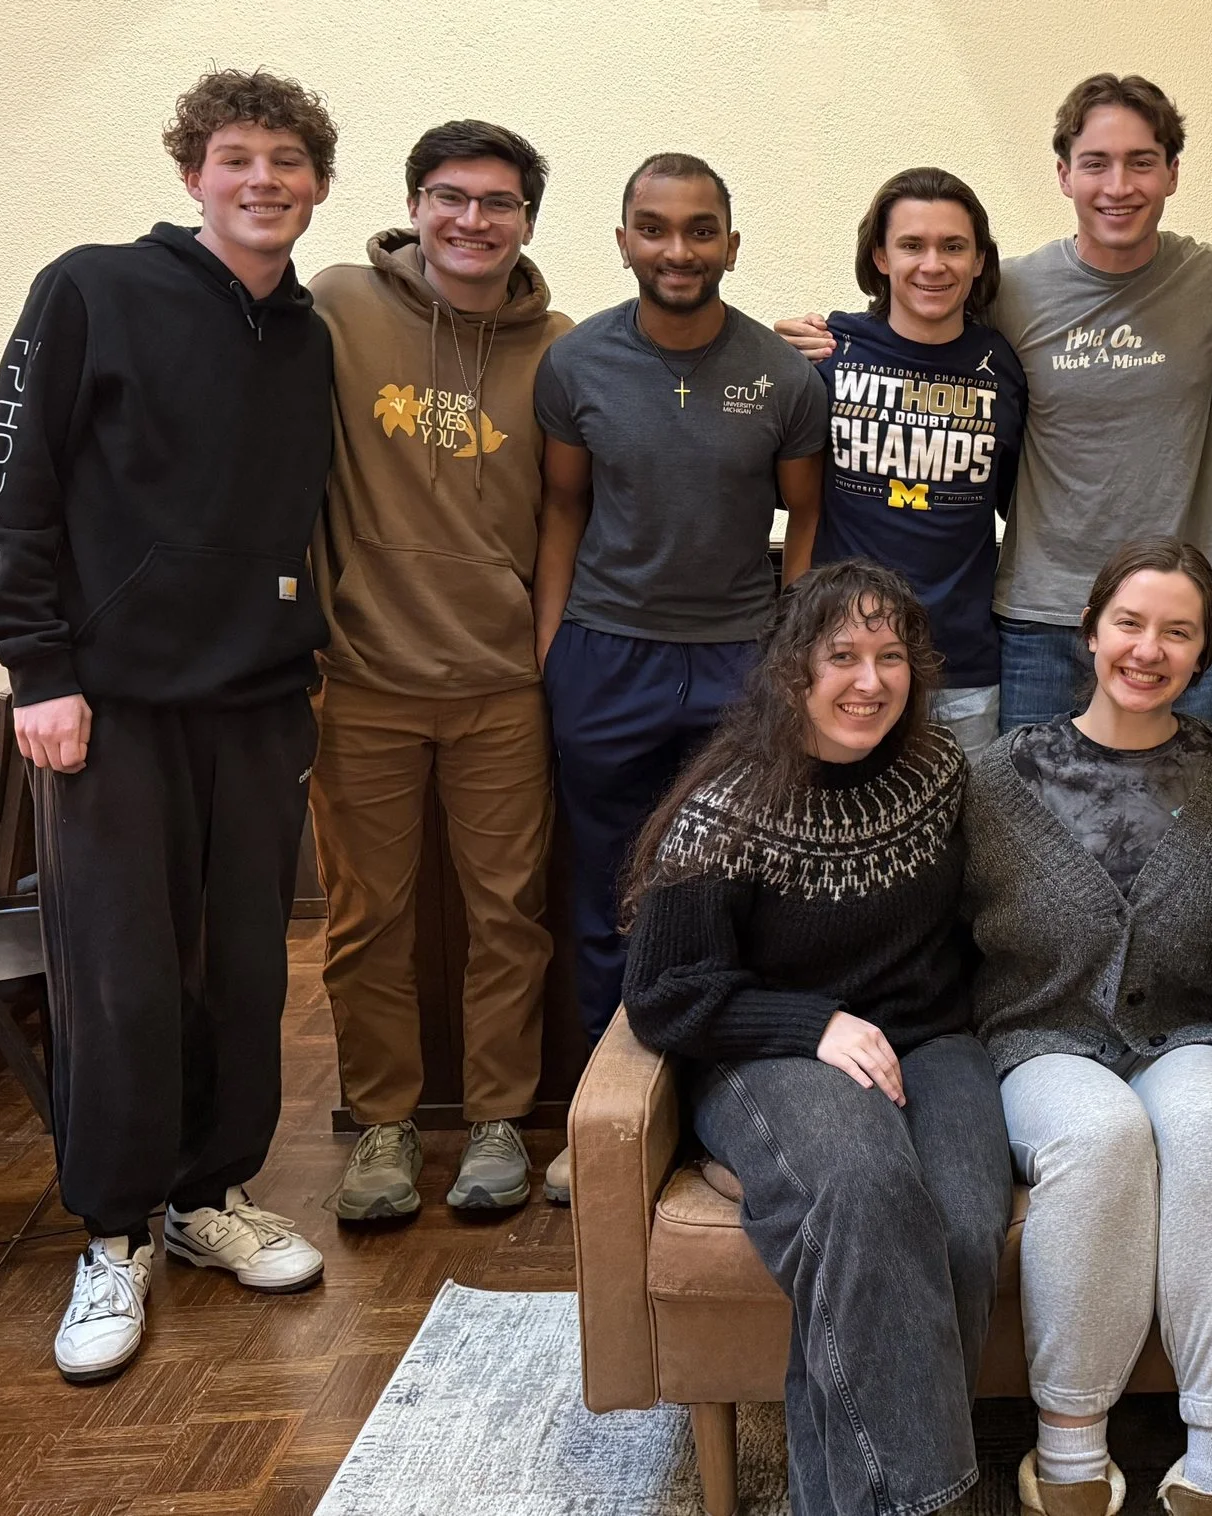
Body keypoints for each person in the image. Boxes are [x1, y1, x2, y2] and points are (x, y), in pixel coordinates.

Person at [0, 69, 337, 1385]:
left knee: (243, 970)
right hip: (107, 705)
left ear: (317, 185)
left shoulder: (306, 336)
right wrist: (38, 669)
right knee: (121, 978)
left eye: (287, 161)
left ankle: (206, 1196)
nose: (263, 180)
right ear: (193, 173)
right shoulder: (91, 289)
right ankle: (113, 1233)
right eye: (237, 157)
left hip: (259, 703)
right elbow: (7, 490)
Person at [778, 73, 1212, 731]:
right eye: (1096, 163)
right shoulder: (1011, 291)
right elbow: (925, 324)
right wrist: (834, 339)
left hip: (1181, 618)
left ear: (1172, 173)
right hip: (1042, 620)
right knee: (1025, 811)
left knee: (1193, 809)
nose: (1119, 186)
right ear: (1064, 175)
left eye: (1141, 162)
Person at [619, 560, 1011, 1516]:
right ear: (792, 668)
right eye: (842, 656)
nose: (869, 681)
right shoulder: (729, 803)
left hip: (929, 1040)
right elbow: (662, 993)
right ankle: (929, 1504)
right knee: (867, 1189)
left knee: (963, 1229)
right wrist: (812, 1022)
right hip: (770, 1053)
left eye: (891, 656)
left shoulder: (939, 773)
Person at [960, 538, 1212, 1516]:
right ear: (1090, 632)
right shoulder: (994, 778)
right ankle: (1070, 1448)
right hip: (1040, 1038)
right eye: (1130, 624)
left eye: (1177, 632)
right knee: (1101, 1136)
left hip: (1194, 1036)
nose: (1150, 649)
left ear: (1204, 651)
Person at [531, 151, 829, 1200]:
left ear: (731, 246)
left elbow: (805, 520)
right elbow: (563, 508)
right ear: (623, 240)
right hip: (605, 656)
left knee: (729, 897)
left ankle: (717, 1118)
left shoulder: (782, 376)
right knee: (609, 891)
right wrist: (552, 651)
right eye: (654, 228)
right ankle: (605, 1125)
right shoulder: (576, 365)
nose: (678, 249)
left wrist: (787, 651)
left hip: (739, 662)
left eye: (701, 229)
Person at [309, 119, 572, 1219]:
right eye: (451, 197)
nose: (473, 220)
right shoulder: (337, 306)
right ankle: (384, 1125)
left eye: (499, 202)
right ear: (415, 205)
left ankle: (498, 1118)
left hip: (501, 684)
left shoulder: (559, 346)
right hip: (361, 676)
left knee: (509, 913)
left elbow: (568, 511)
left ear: (527, 221)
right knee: (367, 918)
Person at [805, 167, 1026, 749]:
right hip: (844, 661)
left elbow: (1016, 501)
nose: (933, 265)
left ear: (979, 261)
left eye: (953, 246)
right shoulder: (829, 352)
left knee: (962, 811)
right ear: (880, 256)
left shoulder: (1003, 366)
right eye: (911, 245)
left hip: (962, 669)